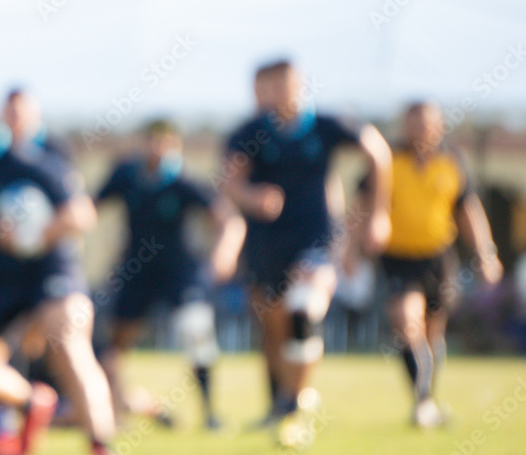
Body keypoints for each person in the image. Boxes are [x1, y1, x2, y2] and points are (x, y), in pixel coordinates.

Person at [221, 60, 392, 447]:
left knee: (304, 308)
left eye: (280, 85)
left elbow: (378, 152)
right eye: (263, 87)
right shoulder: (250, 133)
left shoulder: (327, 126)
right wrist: (251, 196)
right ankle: (284, 402)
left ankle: (294, 409)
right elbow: (229, 181)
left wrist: (377, 215)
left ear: (299, 85)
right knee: (274, 327)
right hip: (266, 246)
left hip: (316, 242)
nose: (271, 94)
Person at [0, 86, 116, 455]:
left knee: (68, 342)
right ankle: (33, 401)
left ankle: (101, 445)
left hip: (50, 270)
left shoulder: (29, 162)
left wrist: (34, 235)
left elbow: (82, 214)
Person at [94, 119, 245, 430]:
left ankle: (210, 414)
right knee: (116, 342)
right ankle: (113, 409)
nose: (157, 149)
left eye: (165, 143)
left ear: (175, 146)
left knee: (196, 330)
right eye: (152, 141)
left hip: (180, 273)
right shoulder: (127, 176)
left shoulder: (183, 182)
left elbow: (228, 219)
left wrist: (225, 253)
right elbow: (89, 206)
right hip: (136, 270)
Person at [359, 101, 502, 428]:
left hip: (438, 258)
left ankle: (426, 400)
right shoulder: (388, 160)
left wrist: (485, 254)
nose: (420, 129)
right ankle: (423, 401)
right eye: (413, 123)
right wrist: (351, 249)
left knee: (431, 332)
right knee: (407, 322)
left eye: (426, 123)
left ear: (439, 125)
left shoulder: (453, 162)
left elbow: (468, 211)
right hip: (398, 258)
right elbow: (362, 203)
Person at [2, 88, 72, 163]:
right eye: (10, 113)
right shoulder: (1, 148)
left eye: (17, 114)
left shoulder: (54, 144)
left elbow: (70, 172)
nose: (13, 118)